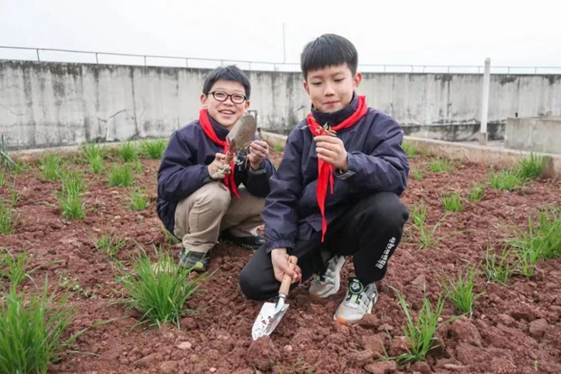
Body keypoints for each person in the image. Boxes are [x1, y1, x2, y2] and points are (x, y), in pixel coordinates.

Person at [239, 34, 409, 324]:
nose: (329, 90)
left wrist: (348, 162)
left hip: (353, 223)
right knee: (255, 283)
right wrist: (278, 245)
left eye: (338, 79)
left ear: (356, 79)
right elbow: (283, 194)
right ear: (307, 87)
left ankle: (364, 283)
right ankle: (327, 258)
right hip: (313, 226)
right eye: (318, 83)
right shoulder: (302, 134)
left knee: (389, 210)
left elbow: (396, 175)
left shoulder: (380, 126)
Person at [157, 65, 274, 272]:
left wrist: (257, 166)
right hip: (183, 217)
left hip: (218, 208)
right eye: (220, 94)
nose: (228, 102)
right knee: (216, 192)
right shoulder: (186, 137)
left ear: (246, 104)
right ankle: (196, 248)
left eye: (237, 97)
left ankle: (238, 231)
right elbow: (166, 186)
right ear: (204, 100)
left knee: (273, 196)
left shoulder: (246, 138)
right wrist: (207, 172)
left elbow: (265, 190)